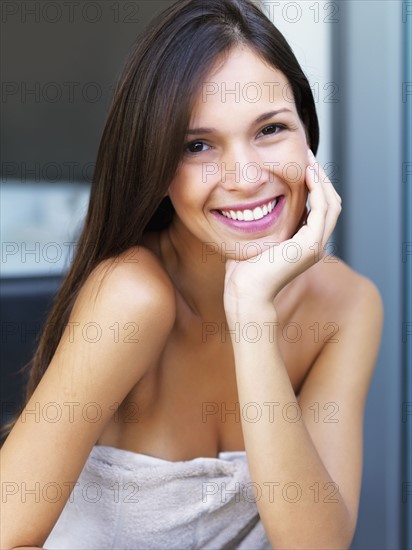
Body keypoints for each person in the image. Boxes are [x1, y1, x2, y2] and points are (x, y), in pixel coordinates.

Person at [1, 0, 383, 548]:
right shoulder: (133, 297)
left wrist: (251, 310)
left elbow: (316, 544)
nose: (247, 176)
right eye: (197, 145)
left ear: (307, 134)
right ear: (155, 167)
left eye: (271, 128)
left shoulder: (346, 304)